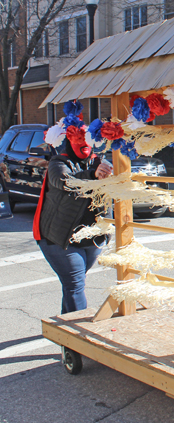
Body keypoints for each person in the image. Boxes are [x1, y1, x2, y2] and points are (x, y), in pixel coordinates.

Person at [33, 121, 113, 314]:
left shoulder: (99, 162)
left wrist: (108, 231)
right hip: (59, 239)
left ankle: (66, 335)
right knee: (75, 284)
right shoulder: (58, 163)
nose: (84, 145)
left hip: (91, 239)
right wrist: (93, 175)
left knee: (72, 285)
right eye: (78, 139)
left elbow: (107, 197)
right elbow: (66, 182)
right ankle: (79, 335)